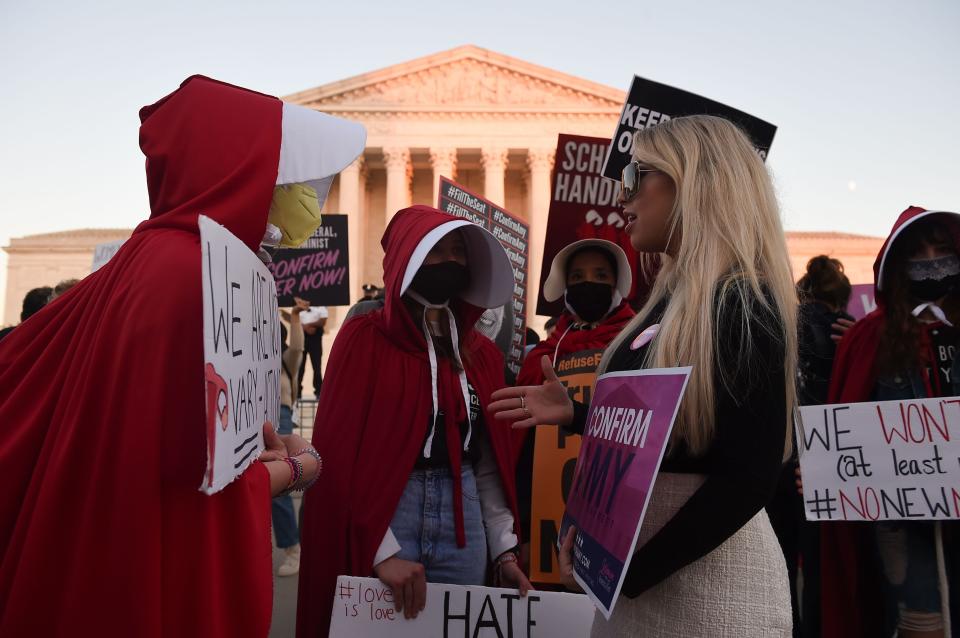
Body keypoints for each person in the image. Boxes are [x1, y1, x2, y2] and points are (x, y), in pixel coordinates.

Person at [0, 75, 364, 635]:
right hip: (157, 573)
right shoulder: (196, 274)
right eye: (278, 169)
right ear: (235, 166)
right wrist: (297, 468)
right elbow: (190, 480)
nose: (301, 193)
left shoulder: (158, 257)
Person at [491, 115, 798, 636]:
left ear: (692, 181)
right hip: (633, 581)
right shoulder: (665, 305)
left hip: (708, 588)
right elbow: (674, 434)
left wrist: (630, 574)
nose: (622, 196)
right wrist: (579, 414)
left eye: (636, 176)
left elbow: (747, 475)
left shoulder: (744, 303)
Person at [297, 206, 532, 637]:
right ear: (408, 258)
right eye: (436, 250)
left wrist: (504, 550)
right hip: (389, 514)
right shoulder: (364, 340)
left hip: (465, 524)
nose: (451, 261)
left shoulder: (481, 357)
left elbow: (484, 462)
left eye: (459, 250)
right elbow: (338, 455)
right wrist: (380, 551)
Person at [819, 207, 960, 638]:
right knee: (920, 624)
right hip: (900, 529)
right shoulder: (868, 338)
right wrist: (826, 472)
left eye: (942, 251)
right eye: (919, 253)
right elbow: (847, 439)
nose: (933, 262)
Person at [513, 238, 635, 577]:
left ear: (615, 284)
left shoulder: (642, 346)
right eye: (578, 277)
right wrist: (523, 526)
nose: (589, 284)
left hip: (620, 517)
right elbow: (524, 448)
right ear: (565, 288)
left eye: (600, 274)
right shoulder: (542, 358)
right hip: (547, 519)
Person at [766, 255, 854, 636]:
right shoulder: (850, 334)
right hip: (828, 458)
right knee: (822, 571)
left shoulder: (783, 322)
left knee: (781, 567)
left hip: (779, 457)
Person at [274, 297, 311, 576]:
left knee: (279, 488)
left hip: (280, 421)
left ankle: (292, 549)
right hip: (252, 422)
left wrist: (295, 316)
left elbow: (298, 346)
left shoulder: (287, 361)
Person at [297, 304, 327, 398]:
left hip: (315, 338)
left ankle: (318, 391)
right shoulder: (300, 306)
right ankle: (297, 391)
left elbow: (323, 320)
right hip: (302, 336)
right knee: (300, 366)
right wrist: (304, 327)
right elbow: (295, 318)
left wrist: (309, 325)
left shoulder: (321, 306)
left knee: (316, 366)